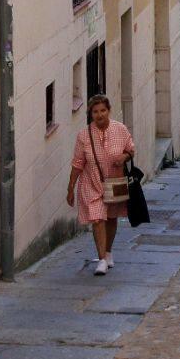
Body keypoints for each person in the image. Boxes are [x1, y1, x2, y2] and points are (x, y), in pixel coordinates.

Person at [67, 94, 135, 276]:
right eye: (95, 112)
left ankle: (108, 252)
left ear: (109, 111)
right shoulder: (83, 136)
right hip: (91, 183)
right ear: (91, 114)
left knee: (112, 218)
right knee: (97, 219)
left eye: (103, 110)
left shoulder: (120, 129)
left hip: (115, 182)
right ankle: (102, 260)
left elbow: (131, 149)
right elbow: (77, 163)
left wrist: (124, 157)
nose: (99, 115)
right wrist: (70, 188)